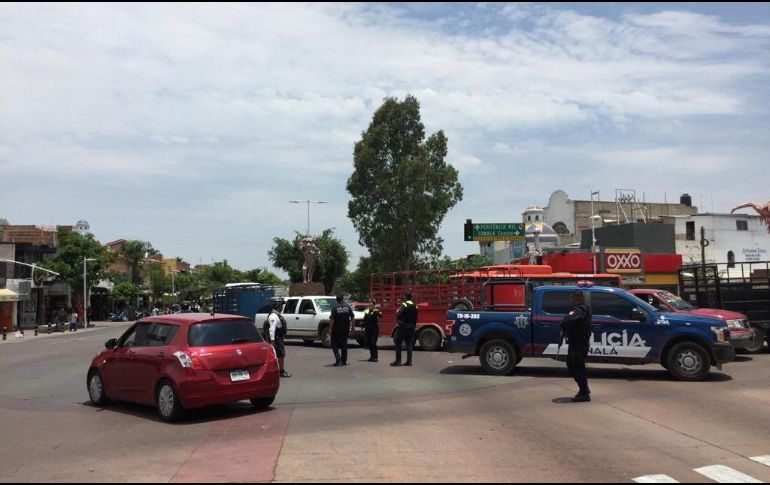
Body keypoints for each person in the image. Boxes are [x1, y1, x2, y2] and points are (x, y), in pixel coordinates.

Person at [561, 291, 593, 403]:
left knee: (576, 366)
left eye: (572, 299)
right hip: (578, 342)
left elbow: (567, 319)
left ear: (578, 299)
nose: (571, 301)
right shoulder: (585, 309)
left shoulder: (580, 310)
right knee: (574, 365)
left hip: (578, 343)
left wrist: (565, 321)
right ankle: (584, 390)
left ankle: (584, 392)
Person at [266, 301, 291, 378]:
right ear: (277, 307)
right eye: (281, 306)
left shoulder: (277, 315)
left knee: (279, 354)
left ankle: (276, 371)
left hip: (278, 337)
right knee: (280, 354)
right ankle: (281, 372)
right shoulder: (273, 316)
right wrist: (272, 340)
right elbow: (272, 329)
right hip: (276, 338)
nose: (282, 307)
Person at [392, 293, 418, 367]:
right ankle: (409, 361)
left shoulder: (404, 304)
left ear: (405, 297)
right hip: (411, 326)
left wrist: (397, 312)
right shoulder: (415, 306)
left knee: (397, 341)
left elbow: (399, 314)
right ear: (411, 298)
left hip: (403, 326)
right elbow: (416, 318)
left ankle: (398, 361)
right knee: (409, 344)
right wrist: (413, 325)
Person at [329, 295, 354, 367]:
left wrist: (330, 329)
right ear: (342, 299)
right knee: (344, 344)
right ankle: (344, 361)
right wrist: (353, 327)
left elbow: (332, 319)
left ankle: (338, 360)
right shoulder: (347, 306)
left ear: (337, 300)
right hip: (345, 328)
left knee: (334, 344)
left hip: (336, 329)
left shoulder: (335, 307)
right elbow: (352, 317)